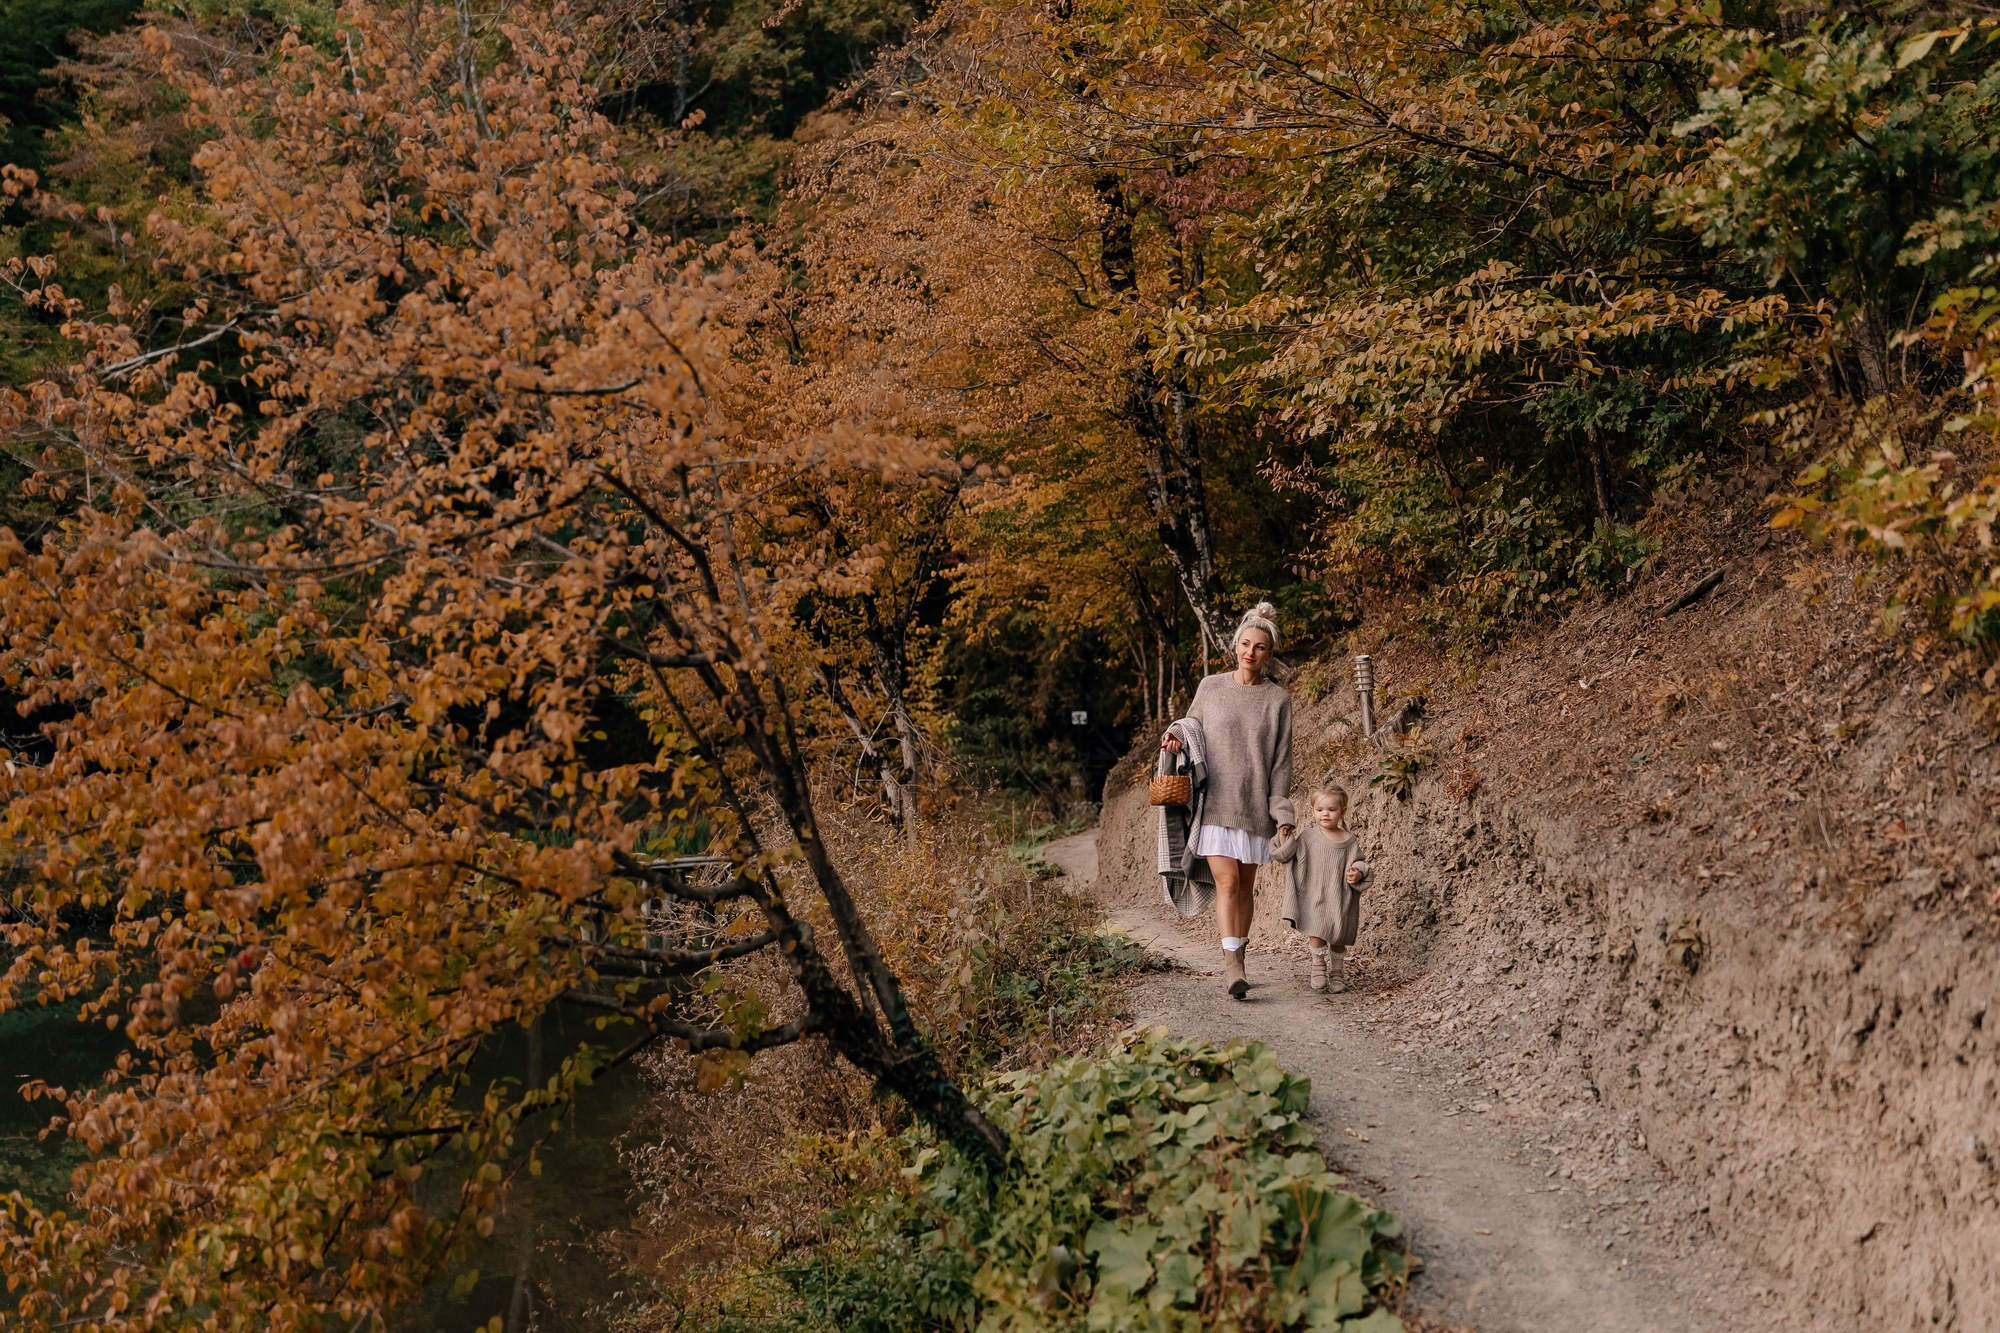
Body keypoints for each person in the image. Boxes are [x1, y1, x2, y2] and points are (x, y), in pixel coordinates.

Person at [1162, 602, 1295, 999]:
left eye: (1260, 647)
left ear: (1270, 655)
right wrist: (1175, 737)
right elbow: (1190, 727)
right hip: (1215, 803)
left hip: (1254, 805)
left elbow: (1282, 762)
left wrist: (1281, 810)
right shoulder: (1211, 686)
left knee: (1247, 887)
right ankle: (1232, 964)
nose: (1250, 652)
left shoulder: (1278, 700)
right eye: (1245, 644)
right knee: (1228, 881)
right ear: (1235, 644)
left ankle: (1240, 951)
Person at [1273, 785, 1373, 992]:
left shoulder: (1349, 841)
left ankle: (1337, 973)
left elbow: (1361, 863)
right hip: (1314, 894)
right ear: (1312, 811)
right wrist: (1284, 836)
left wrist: (1358, 872)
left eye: (1331, 809)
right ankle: (1318, 965)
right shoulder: (1308, 837)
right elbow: (1287, 855)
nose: (1325, 814)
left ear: (1343, 811)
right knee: (1316, 930)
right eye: (1319, 810)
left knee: (1338, 936)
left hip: (1340, 895)